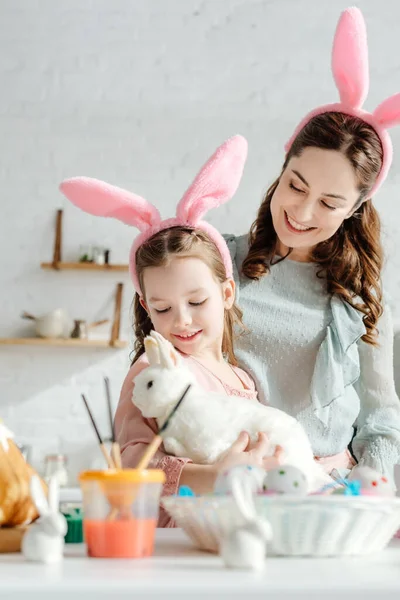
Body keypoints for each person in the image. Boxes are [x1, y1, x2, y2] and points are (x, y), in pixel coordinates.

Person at [59, 135, 282, 528]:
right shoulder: (154, 371)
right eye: (163, 308)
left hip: (235, 533)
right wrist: (213, 479)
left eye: (197, 303)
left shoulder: (243, 376)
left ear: (227, 293)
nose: (181, 320)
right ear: (146, 307)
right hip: (175, 543)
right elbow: (131, 460)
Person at [224, 7, 400, 482]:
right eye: (296, 186)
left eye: (328, 202)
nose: (302, 213)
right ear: (283, 168)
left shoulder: (358, 298)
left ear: (354, 210)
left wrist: (368, 487)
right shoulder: (219, 262)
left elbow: (382, 422)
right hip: (231, 482)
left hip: (326, 491)